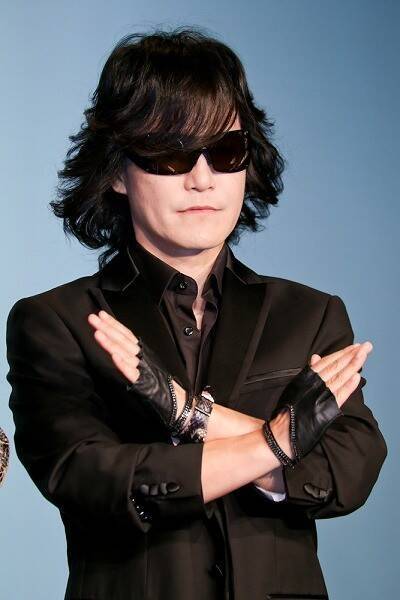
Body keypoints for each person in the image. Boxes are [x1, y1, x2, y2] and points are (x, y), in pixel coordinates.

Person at [5, 26, 387, 600]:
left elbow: (347, 473)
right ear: (117, 171)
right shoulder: (57, 321)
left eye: (226, 152)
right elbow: (91, 479)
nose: (202, 179)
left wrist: (190, 414)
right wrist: (278, 442)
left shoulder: (311, 315)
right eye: (171, 153)